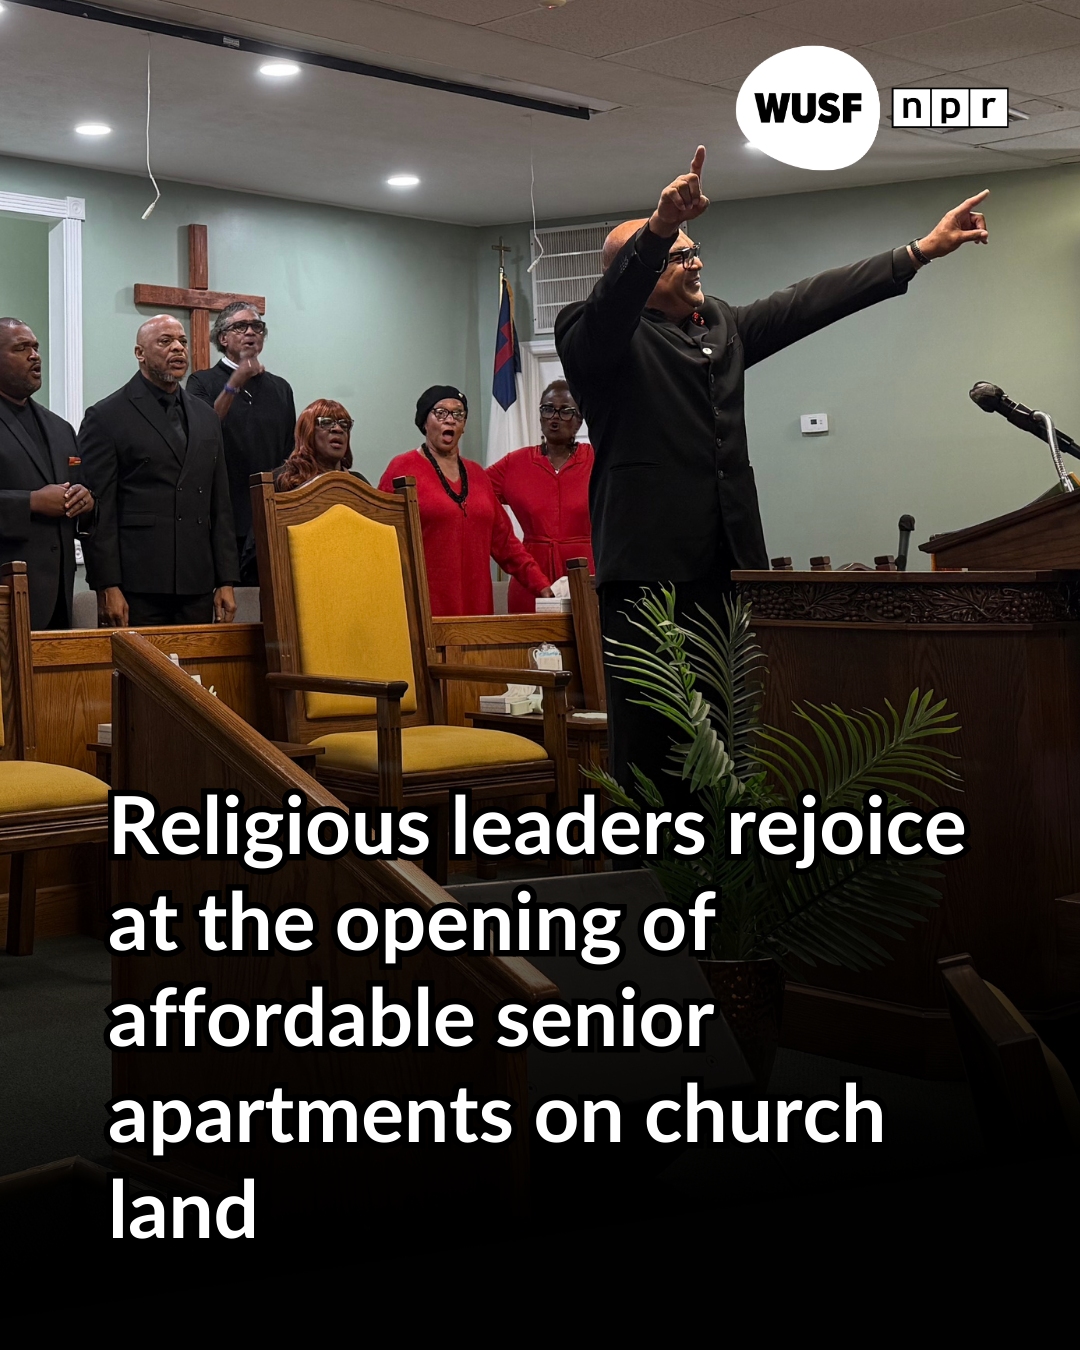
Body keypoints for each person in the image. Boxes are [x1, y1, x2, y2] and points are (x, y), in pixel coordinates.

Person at [555, 145, 989, 801]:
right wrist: (660, 227)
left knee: (732, 734)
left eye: (695, 250)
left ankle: (732, 856)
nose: (696, 262)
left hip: (730, 565)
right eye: (679, 255)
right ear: (639, 271)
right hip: (648, 574)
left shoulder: (719, 325)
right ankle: (649, 862)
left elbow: (806, 302)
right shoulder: (592, 336)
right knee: (652, 743)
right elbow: (613, 307)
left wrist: (918, 252)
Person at [80, 314, 239, 627]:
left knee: (197, 662)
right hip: (137, 583)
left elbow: (220, 503)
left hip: (197, 580)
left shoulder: (206, 416)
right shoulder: (107, 415)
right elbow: (99, 512)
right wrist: (107, 585)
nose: (178, 348)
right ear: (140, 353)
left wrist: (226, 580)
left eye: (182, 341)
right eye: (165, 341)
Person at [379, 385, 553, 616]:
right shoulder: (402, 468)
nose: (450, 419)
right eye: (441, 412)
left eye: (458, 413)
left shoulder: (477, 475)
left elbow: (505, 543)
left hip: (477, 614)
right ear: (424, 422)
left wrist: (542, 586)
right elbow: (380, 541)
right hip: (424, 614)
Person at [187, 302, 296, 582]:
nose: (251, 332)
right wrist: (235, 382)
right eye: (240, 326)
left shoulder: (281, 388)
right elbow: (203, 433)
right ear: (223, 338)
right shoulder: (201, 382)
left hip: (269, 517)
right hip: (222, 516)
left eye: (257, 326)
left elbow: (290, 453)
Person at [0, 319, 94, 629]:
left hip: (57, 597)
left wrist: (86, 501)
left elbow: (80, 488)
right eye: (21, 348)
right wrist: (31, 502)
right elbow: (38, 499)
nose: (34, 355)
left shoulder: (60, 428)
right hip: (6, 594)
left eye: (36, 347)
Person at [486, 379, 594, 613]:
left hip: (585, 573)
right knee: (529, 637)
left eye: (565, 411)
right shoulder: (515, 464)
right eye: (548, 409)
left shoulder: (596, 460)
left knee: (587, 635)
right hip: (531, 577)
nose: (555, 417)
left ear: (579, 420)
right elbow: (473, 493)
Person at [275, 400, 369, 492]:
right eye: (326, 422)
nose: (338, 429)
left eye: (344, 424)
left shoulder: (359, 484)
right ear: (307, 432)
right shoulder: (281, 480)